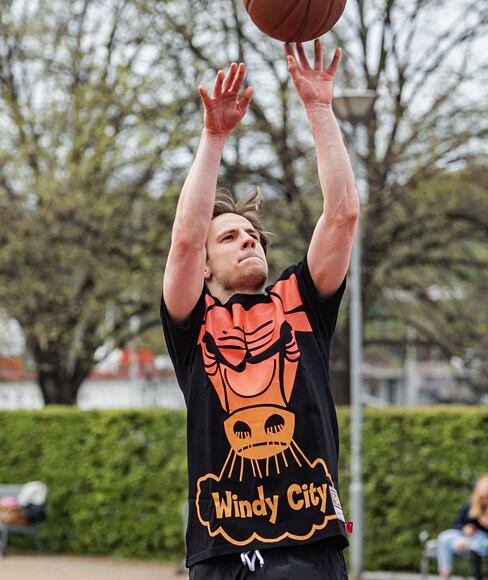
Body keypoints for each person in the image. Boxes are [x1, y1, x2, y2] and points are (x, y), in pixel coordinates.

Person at [161, 39, 358, 579]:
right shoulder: (195, 319)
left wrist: (319, 109)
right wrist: (213, 136)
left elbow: (342, 216)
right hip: (222, 552)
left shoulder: (299, 301)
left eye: (253, 234)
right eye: (228, 237)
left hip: (309, 544)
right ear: (204, 266)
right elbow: (183, 240)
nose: (248, 241)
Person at [437, 474, 488, 578]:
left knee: (453, 543)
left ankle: (445, 573)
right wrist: (465, 528)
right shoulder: (470, 503)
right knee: (444, 537)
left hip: (482, 539)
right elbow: (456, 524)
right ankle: (445, 572)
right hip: (464, 536)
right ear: (479, 486)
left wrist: (486, 524)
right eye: (485, 485)